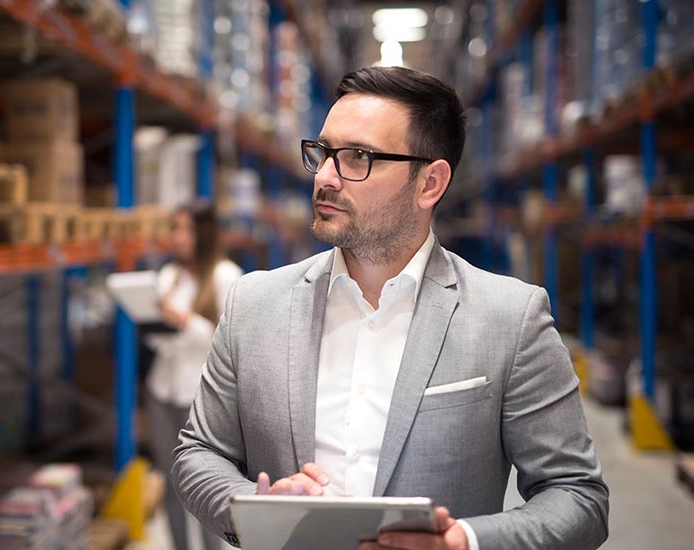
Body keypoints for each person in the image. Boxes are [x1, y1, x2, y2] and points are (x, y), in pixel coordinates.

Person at [171, 66, 609, 550]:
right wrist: (255, 506)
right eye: (323, 153)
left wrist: (460, 541)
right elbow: (199, 452)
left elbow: (578, 496)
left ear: (430, 184)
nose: (326, 176)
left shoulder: (510, 318)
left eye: (358, 157)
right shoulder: (255, 303)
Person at [145, 202, 242, 550]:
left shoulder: (225, 275)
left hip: (200, 396)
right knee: (171, 484)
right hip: (162, 389)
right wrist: (153, 322)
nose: (178, 237)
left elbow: (227, 340)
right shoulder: (168, 276)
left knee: (204, 486)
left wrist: (183, 320)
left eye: (185, 229)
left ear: (204, 232)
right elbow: (156, 339)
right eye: (175, 228)